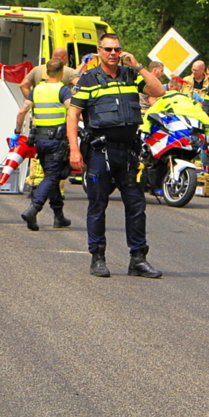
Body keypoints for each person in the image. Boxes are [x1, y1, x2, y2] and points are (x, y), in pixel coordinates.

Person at [67, 33, 165, 278]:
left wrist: (139, 66)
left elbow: (159, 90)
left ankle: (138, 260)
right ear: (99, 51)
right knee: (98, 205)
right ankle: (98, 258)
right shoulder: (88, 79)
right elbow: (73, 115)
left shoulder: (131, 75)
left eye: (117, 49)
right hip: (100, 152)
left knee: (136, 206)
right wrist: (74, 150)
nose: (113, 54)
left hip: (128, 152)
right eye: (108, 49)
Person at [15, 58, 74, 231]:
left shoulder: (36, 89)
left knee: (51, 175)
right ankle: (34, 209)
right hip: (57, 140)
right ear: (62, 72)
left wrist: (17, 132)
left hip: (39, 140)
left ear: (46, 72)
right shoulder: (63, 90)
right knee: (52, 176)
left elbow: (22, 111)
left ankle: (59, 216)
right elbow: (72, 110)